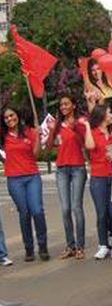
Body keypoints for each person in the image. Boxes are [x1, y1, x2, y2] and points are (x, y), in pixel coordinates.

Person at [1, 106, 49, 262]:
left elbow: (36, 155)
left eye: (12, 115)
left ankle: (42, 246)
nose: (9, 119)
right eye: (6, 117)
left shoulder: (29, 131)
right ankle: (29, 248)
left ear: (18, 115)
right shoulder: (3, 136)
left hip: (32, 176)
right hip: (14, 179)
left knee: (37, 210)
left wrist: (37, 136)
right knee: (25, 213)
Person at [47, 94, 88, 260]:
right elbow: (49, 147)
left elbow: (85, 143)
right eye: (61, 105)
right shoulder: (57, 125)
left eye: (66, 104)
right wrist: (51, 131)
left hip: (78, 167)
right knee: (65, 209)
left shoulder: (80, 122)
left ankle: (80, 246)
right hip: (62, 169)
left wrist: (74, 128)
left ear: (73, 106)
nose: (63, 107)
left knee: (76, 207)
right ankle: (70, 245)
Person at [84, 105, 112, 260]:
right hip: (98, 177)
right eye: (109, 112)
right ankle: (102, 245)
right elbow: (90, 146)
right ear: (101, 116)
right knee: (102, 213)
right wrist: (87, 125)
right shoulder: (93, 132)